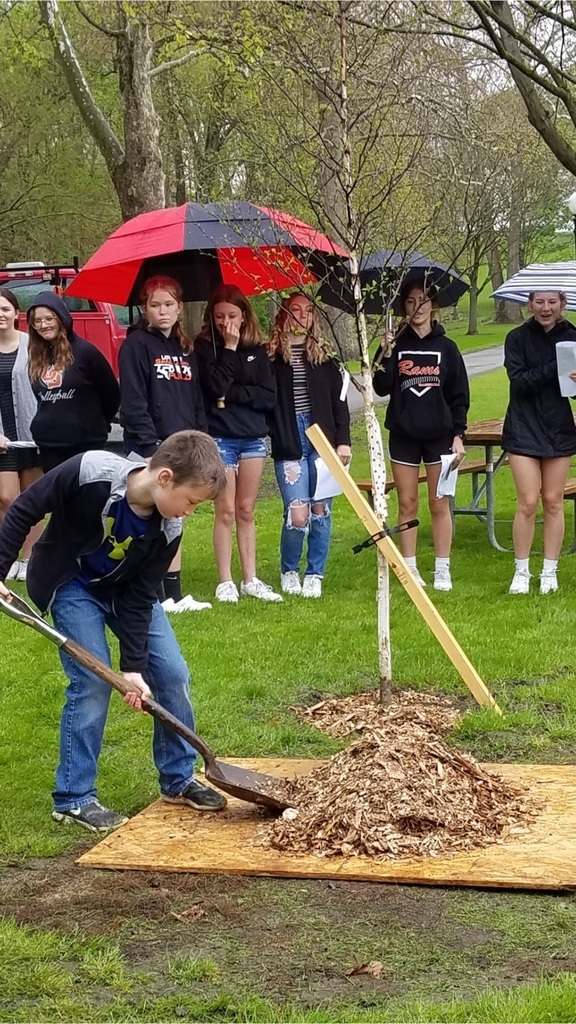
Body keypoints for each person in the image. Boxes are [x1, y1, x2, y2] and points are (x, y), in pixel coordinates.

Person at [0, 431, 228, 831]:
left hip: (125, 593)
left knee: (172, 674)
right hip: (69, 584)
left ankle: (177, 779)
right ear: (165, 478)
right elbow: (23, 510)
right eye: (191, 501)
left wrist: (133, 668)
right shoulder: (90, 470)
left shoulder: (169, 529)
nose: (191, 511)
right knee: (92, 682)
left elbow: (141, 598)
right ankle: (73, 798)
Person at [119, 275, 211, 613]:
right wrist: (149, 448)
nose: (163, 311)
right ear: (145, 308)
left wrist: (202, 439)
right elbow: (133, 401)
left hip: (183, 447)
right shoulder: (136, 345)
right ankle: (150, 593)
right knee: (151, 521)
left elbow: (195, 398)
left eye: (169, 304)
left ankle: (173, 593)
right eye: (155, 305)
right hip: (151, 448)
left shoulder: (185, 348)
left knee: (175, 520)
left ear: (179, 307)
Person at [372, 282, 469, 592]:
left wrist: (458, 434)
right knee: (407, 502)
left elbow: (459, 395)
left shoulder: (448, 348)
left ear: (433, 306)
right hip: (404, 435)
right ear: (403, 308)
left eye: (423, 300)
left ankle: (443, 568)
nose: (418, 307)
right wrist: (385, 352)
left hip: (440, 436)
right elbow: (380, 386)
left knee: (439, 503)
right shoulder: (395, 344)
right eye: (411, 301)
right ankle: (409, 566)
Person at [195, 284, 281, 603]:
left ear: (244, 315)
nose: (225, 321)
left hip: (253, 438)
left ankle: (251, 578)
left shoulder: (258, 350)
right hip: (222, 437)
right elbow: (214, 386)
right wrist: (229, 350)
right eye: (219, 316)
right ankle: (225, 580)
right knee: (226, 509)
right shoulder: (205, 348)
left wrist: (231, 396)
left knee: (246, 508)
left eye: (231, 315)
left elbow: (268, 396)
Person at [267, 293, 351, 598]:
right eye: (295, 310)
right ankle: (289, 568)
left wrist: (343, 442)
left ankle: (315, 573)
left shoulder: (325, 357)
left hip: (323, 438)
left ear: (314, 316)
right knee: (297, 511)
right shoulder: (273, 357)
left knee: (320, 509)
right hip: (290, 438)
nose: (301, 316)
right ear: (284, 316)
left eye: (307, 311)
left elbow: (339, 402)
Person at [503, 291, 576, 595]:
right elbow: (520, 383)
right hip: (523, 426)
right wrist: (554, 367)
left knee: (554, 502)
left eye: (552, 302)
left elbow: (570, 390)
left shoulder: (573, 337)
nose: (546, 308)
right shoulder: (517, 338)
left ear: (562, 303)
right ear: (529, 304)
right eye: (539, 302)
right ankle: (521, 571)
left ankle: (549, 571)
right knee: (529, 502)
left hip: (558, 427)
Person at [27, 291, 120, 472]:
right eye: (37, 321)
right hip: (49, 445)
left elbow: (112, 394)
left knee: (85, 497)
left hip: (85, 444)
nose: (43, 325)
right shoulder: (37, 356)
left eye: (49, 319)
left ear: (61, 318)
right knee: (57, 498)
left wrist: (95, 422)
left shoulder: (86, 352)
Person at [0, 288, 44, 582]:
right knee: (6, 498)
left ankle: (31, 559)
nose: (0, 315)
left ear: (17, 313)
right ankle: (10, 554)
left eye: (5, 309)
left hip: (32, 434)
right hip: (2, 438)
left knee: (33, 500)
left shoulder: (33, 346)